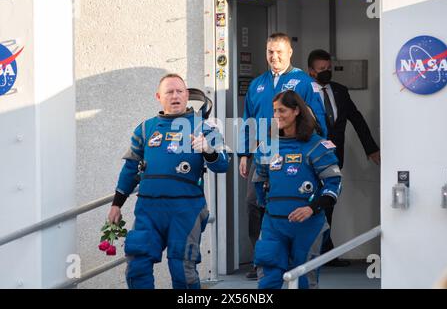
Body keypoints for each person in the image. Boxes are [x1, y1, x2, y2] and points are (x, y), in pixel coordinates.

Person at [107, 74, 229, 289]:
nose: (175, 96)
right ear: (158, 97)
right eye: (169, 92)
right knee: (137, 265)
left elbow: (223, 165)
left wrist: (208, 150)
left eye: (180, 92)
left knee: (182, 269)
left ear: (187, 95)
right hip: (148, 209)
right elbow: (130, 169)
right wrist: (117, 204)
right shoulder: (145, 129)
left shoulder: (205, 128)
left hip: (186, 209)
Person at [239, 33, 328, 279]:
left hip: (297, 152)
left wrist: (320, 150)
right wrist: (244, 154)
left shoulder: (303, 82)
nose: (274, 56)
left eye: (279, 51)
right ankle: (263, 262)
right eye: (270, 51)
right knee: (255, 203)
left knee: (298, 201)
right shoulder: (257, 84)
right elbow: (247, 120)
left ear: (290, 53)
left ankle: (297, 263)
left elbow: (318, 119)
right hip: (264, 153)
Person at [252, 90, 342, 289]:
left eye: (282, 110)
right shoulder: (268, 146)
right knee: (267, 281)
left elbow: (334, 185)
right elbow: (259, 182)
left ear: (296, 111)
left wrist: (312, 208)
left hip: (308, 225)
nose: (277, 115)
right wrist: (269, 208)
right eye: (274, 111)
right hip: (273, 225)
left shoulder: (316, 146)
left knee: (304, 283)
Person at [308, 49, 380, 266]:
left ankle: (325, 251)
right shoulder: (304, 91)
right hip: (310, 157)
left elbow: (356, 119)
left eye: (329, 68)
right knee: (311, 202)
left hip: (334, 157)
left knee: (328, 202)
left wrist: (371, 148)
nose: (326, 72)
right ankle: (313, 252)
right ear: (311, 71)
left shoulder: (340, 90)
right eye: (321, 69)